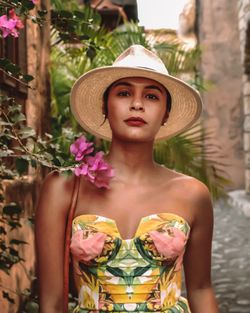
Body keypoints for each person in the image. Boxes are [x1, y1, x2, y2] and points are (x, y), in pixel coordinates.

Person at [35, 45, 219, 313]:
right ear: (104, 106)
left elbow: (201, 289)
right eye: (123, 93)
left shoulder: (193, 194)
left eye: (152, 96)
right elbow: (51, 303)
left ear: (166, 113)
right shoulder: (63, 187)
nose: (137, 104)